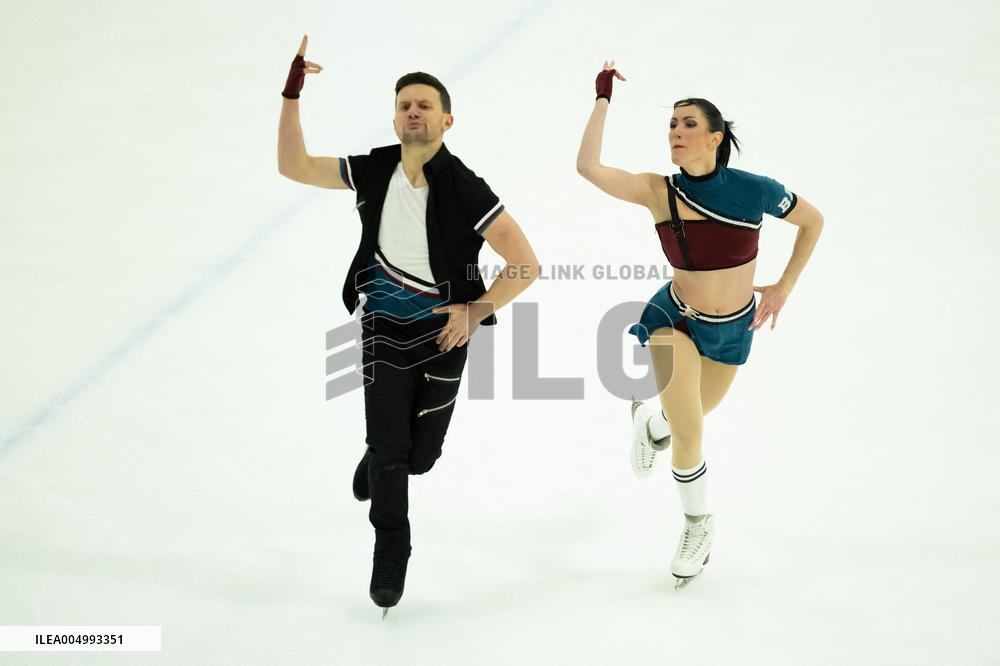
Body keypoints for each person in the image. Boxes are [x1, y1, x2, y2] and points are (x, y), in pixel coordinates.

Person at [277, 36, 540, 613]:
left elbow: (526, 265)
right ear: (395, 117)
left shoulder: (467, 188)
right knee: (392, 450)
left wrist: (477, 310)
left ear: (447, 119)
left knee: (420, 457)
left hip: (445, 335)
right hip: (383, 331)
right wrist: (293, 91)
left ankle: (381, 460)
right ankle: (391, 547)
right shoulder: (373, 171)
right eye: (404, 104)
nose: (412, 111)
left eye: (423, 104)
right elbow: (293, 166)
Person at [576, 61, 823, 586]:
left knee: (688, 415)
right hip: (673, 318)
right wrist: (602, 98)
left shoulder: (754, 189)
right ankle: (697, 525)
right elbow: (589, 167)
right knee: (691, 431)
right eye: (671, 125)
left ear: (715, 137)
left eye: (687, 124)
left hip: (733, 328)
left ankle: (650, 422)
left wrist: (784, 286)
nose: (676, 133)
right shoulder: (656, 191)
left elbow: (812, 221)